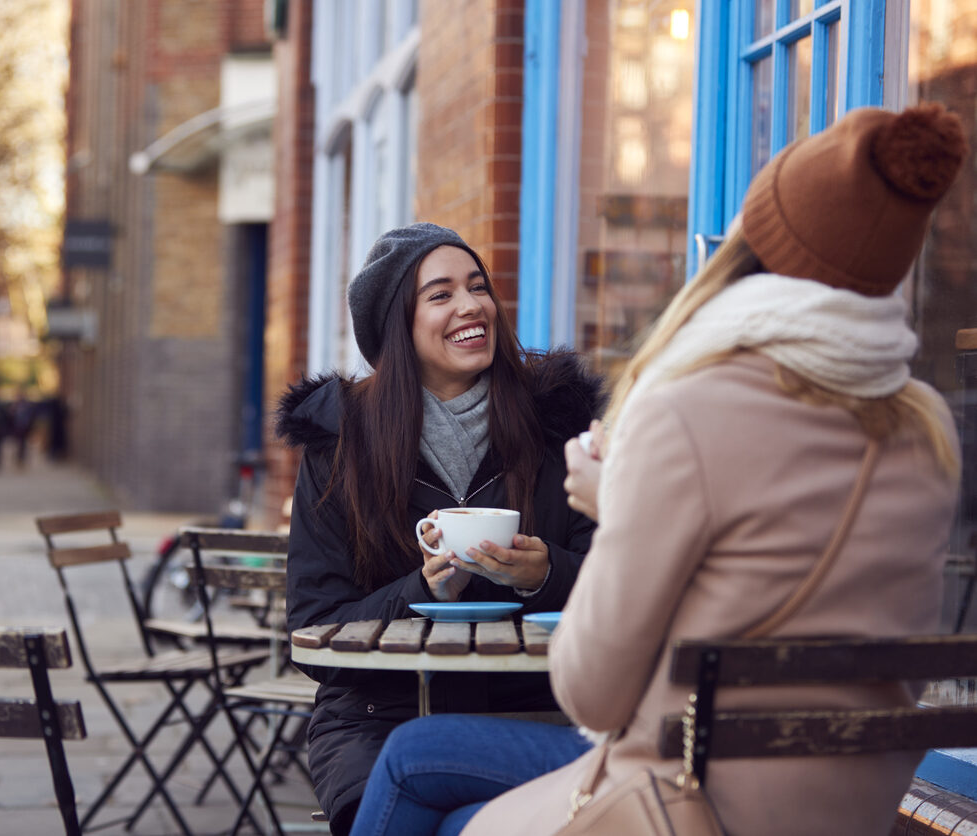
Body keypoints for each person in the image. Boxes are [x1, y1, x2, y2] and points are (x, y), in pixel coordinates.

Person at [433, 103, 965, 836]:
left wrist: (615, 502)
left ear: (754, 247)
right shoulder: (926, 425)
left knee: (431, 787)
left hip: (693, 807)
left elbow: (591, 694)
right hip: (858, 807)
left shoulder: (686, 409)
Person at [276, 222, 602, 836]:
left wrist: (546, 574)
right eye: (441, 294)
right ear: (398, 325)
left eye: (478, 287)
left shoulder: (557, 423)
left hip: (535, 706)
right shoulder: (340, 442)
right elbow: (313, 626)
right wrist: (421, 592)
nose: (470, 305)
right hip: (379, 715)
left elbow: (620, 582)